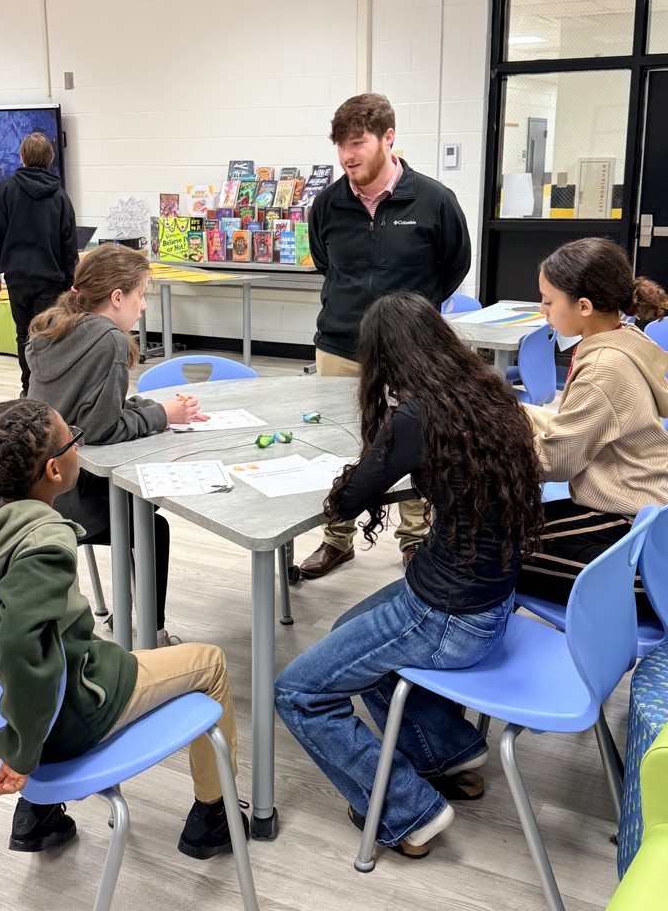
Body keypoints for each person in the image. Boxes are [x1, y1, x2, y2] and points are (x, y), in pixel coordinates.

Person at [0, 399, 244, 860]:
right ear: (55, 470)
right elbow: (21, 643)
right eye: (73, 441)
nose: (78, 446)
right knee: (212, 663)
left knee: (65, 646)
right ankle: (214, 818)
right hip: (68, 714)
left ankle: (38, 816)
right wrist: (24, 751)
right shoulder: (44, 542)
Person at [276, 292, 543, 859]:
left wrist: (369, 453)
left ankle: (406, 810)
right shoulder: (489, 395)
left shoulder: (417, 417)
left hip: (449, 615)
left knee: (298, 692)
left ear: (387, 361)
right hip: (493, 598)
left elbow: (349, 499)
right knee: (350, 627)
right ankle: (449, 751)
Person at [300, 93, 472, 579]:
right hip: (341, 344)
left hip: (414, 351)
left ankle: (416, 540)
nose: (347, 155)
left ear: (388, 138)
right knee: (337, 443)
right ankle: (336, 536)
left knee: (417, 443)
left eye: (357, 143)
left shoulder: (434, 200)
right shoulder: (328, 204)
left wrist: (414, 318)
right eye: (340, 145)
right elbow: (325, 264)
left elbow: (454, 265)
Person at [26, 244, 207, 646]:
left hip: (35, 481)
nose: (143, 306)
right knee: (151, 521)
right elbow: (101, 430)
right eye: (141, 295)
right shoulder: (108, 340)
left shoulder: (55, 327)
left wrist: (151, 407)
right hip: (67, 495)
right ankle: (151, 636)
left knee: (144, 510)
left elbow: (82, 410)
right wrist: (163, 417)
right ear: (117, 297)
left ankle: (129, 619)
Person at [517, 237, 668, 614]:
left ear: (583, 306)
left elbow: (555, 463)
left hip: (629, 520)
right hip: (645, 508)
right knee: (498, 537)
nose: (542, 309)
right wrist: (516, 414)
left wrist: (496, 435)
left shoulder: (603, 368)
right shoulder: (623, 337)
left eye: (549, 301)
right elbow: (580, 424)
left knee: (487, 555)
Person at [0, 133, 78, 395]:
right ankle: (49, 389)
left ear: (22, 158)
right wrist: (73, 283)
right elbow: (69, 243)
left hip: (18, 278)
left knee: (24, 334)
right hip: (52, 280)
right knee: (49, 336)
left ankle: (28, 389)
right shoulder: (60, 196)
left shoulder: (6, 189)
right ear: (50, 158)